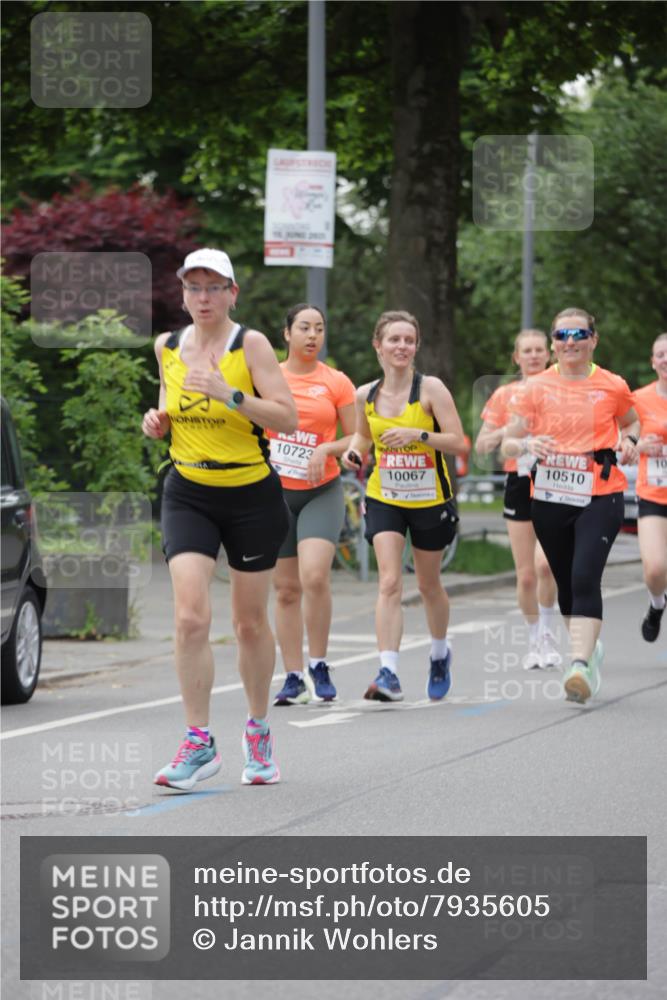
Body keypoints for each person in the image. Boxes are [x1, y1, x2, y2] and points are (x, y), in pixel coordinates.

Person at [142, 248, 297, 789]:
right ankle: (198, 741)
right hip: (188, 488)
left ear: (233, 293)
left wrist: (231, 395)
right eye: (194, 288)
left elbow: (286, 416)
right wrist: (158, 421)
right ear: (182, 294)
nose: (202, 298)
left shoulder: (248, 344)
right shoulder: (167, 347)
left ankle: (257, 729)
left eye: (214, 288)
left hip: (251, 494)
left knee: (249, 622)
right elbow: (171, 404)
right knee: (189, 618)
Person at [502, 307, 639, 704]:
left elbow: (631, 422)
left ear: (593, 339)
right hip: (549, 496)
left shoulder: (612, 384)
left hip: (601, 492)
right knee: (565, 583)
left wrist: (628, 442)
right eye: (562, 335)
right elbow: (508, 443)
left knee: (583, 577)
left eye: (579, 334)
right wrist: (527, 444)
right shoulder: (534, 388)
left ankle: (578, 663)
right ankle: (588, 648)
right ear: (553, 342)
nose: (571, 342)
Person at [342, 310, 467, 702]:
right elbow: (363, 437)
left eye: (409, 340)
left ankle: (439, 653)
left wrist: (420, 434)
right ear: (378, 345)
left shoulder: (431, 390)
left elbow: (459, 441)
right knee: (390, 582)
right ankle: (389, 672)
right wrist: (352, 451)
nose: (402, 347)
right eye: (394, 339)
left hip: (430, 499)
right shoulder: (365, 394)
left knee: (429, 585)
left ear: (416, 347)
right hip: (385, 497)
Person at [267, 304, 356, 705]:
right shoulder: (267, 378)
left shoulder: (336, 382)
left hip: (322, 490)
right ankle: (291, 676)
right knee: (285, 589)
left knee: (315, 576)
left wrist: (327, 446)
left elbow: (357, 439)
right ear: (287, 333)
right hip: (274, 493)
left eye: (319, 328)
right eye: (304, 327)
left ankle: (318, 663)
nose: (312, 335)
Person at [475, 329, 560, 670]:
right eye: (527, 350)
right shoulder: (505, 395)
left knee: (546, 566)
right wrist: (510, 431)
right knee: (526, 574)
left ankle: (548, 637)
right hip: (519, 480)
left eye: (540, 349)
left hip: (556, 481)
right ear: (517, 357)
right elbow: (482, 446)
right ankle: (533, 638)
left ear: (549, 355)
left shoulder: (561, 391)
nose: (535, 355)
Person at [632, 333, 667, 641]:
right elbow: (623, 441)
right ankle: (657, 605)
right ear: (653, 362)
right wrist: (640, 444)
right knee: (655, 569)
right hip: (654, 495)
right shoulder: (640, 399)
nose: (666, 359)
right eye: (661, 354)